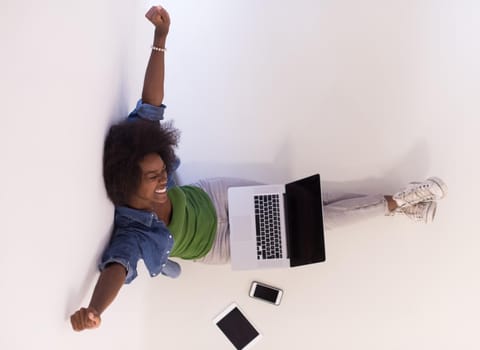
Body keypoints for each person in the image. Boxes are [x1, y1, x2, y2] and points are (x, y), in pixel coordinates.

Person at [70, 6, 448, 332]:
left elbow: (152, 102)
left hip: (216, 197)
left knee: (310, 198)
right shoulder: (132, 233)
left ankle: (402, 204)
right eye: (153, 177)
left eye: (162, 168)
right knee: (316, 227)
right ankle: (400, 203)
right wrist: (94, 310)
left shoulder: (141, 150)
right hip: (221, 245)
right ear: (129, 183)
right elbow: (116, 269)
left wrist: (161, 35)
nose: (163, 177)